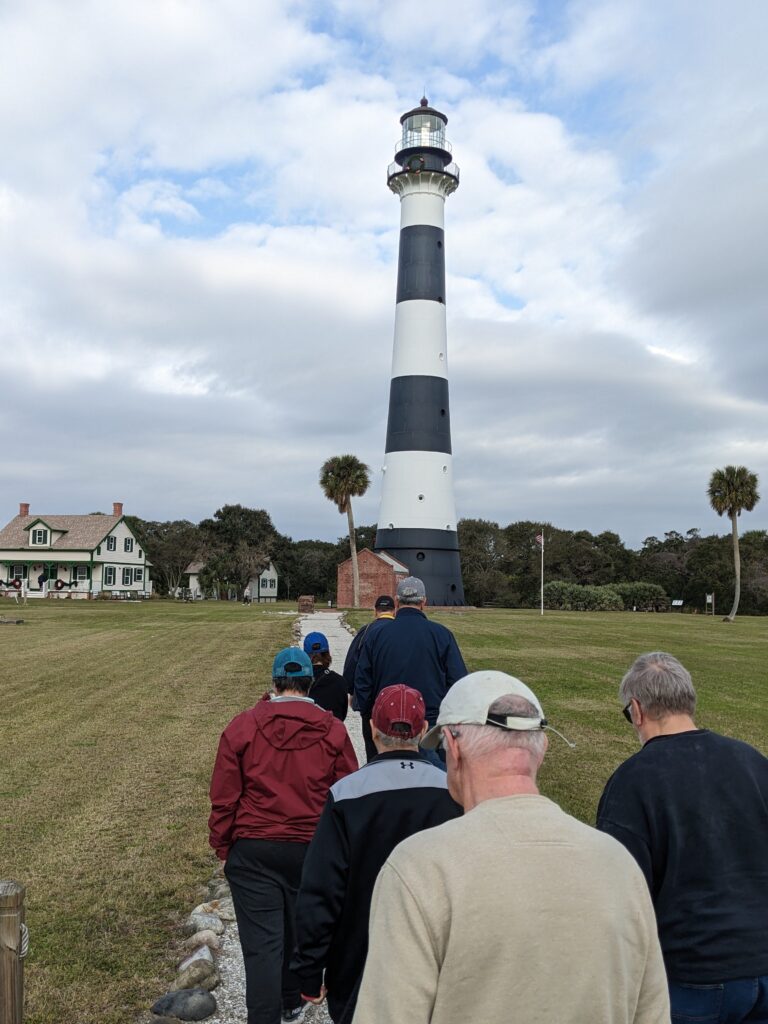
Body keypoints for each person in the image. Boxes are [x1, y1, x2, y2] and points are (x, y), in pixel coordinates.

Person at [353, 670, 669, 1024]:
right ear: (542, 749)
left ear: (453, 749)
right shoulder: (618, 865)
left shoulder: (420, 869)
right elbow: (653, 1012)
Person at [596, 651, 768, 1023]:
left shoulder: (633, 780)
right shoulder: (752, 761)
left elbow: (621, 889)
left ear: (637, 710)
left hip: (692, 972)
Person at [291, 684, 462, 1023]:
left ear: (371, 728)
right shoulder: (452, 792)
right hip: (438, 961)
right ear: (424, 730)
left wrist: (309, 971)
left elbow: (321, 891)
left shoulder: (346, 795)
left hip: (360, 966)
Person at [208, 648, 358, 1024]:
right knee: (298, 927)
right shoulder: (333, 730)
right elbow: (346, 795)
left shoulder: (243, 726)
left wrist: (222, 844)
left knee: (262, 946)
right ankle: (291, 999)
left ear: (274, 683)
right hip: (311, 847)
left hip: (256, 846)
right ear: (309, 683)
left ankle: (269, 1013)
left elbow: (225, 795)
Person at [354, 577, 466, 763]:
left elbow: (363, 681)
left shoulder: (376, 635)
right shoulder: (442, 635)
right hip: (429, 725)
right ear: (424, 603)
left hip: (387, 724)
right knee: (433, 784)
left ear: (396, 602)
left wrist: (370, 715)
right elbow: (458, 683)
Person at [342, 595, 396, 761]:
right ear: (394, 611)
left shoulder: (366, 631)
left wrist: (351, 691)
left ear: (375, 611)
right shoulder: (401, 631)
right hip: (397, 700)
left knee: (372, 749)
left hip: (372, 702)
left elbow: (352, 663)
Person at [302, 631, 349, 722]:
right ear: (327, 654)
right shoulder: (340, 681)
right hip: (333, 732)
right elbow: (342, 715)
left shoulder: (299, 682)